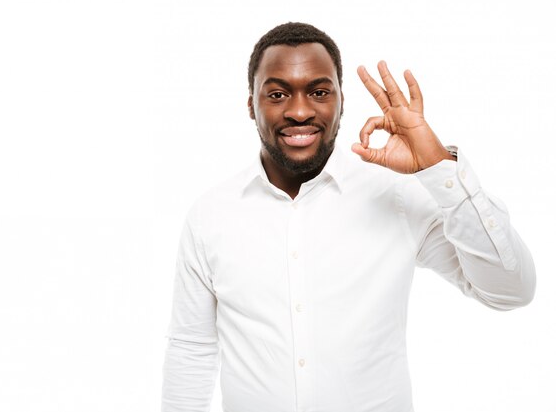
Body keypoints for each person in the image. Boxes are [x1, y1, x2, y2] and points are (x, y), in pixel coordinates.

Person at [161, 22, 536, 412]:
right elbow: (192, 349)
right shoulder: (211, 215)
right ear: (251, 105)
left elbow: (511, 290)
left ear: (341, 100)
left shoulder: (396, 196)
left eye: (319, 92)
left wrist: (439, 168)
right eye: (277, 94)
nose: (300, 111)